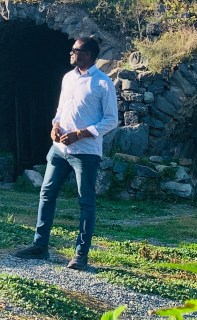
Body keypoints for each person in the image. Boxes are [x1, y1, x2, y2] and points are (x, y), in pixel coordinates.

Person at [14, 37, 118, 270]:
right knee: (46, 194)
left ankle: (81, 255)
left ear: (89, 54)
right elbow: (61, 109)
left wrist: (81, 134)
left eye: (76, 50)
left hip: (86, 152)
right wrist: (55, 125)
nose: (71, 53)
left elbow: (111, 120)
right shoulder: (68, 78)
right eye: (72, 50)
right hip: (60, 149)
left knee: (86, 202)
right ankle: (40, 246)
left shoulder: (103, 83)